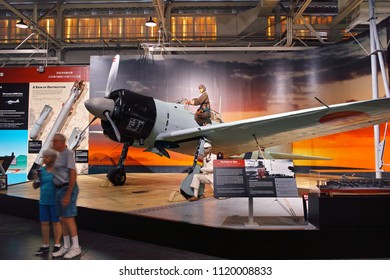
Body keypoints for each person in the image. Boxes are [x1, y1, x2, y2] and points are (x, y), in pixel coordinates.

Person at [51, 133, 81, 259]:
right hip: (59, 189)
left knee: (68, 218)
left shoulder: (67, 153)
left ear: (62, 142)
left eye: (56, 141)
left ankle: (76, 247)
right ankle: (67, 245)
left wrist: (68, 194)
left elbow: (73, 174)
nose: (53, 143)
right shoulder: (58, 155)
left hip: (67, 188)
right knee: (62, 218)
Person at [33, 149, 62, 255]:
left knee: (56, 222)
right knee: (44, 223)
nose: (44, 159)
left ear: (53, 158)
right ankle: (45, 245)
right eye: (43, 157)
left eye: (47, 157)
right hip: (43, 201)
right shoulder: (41, 170)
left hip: (55, 202)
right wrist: (36, 178)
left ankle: (57, 245)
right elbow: (35, 186)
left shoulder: (58, 170)